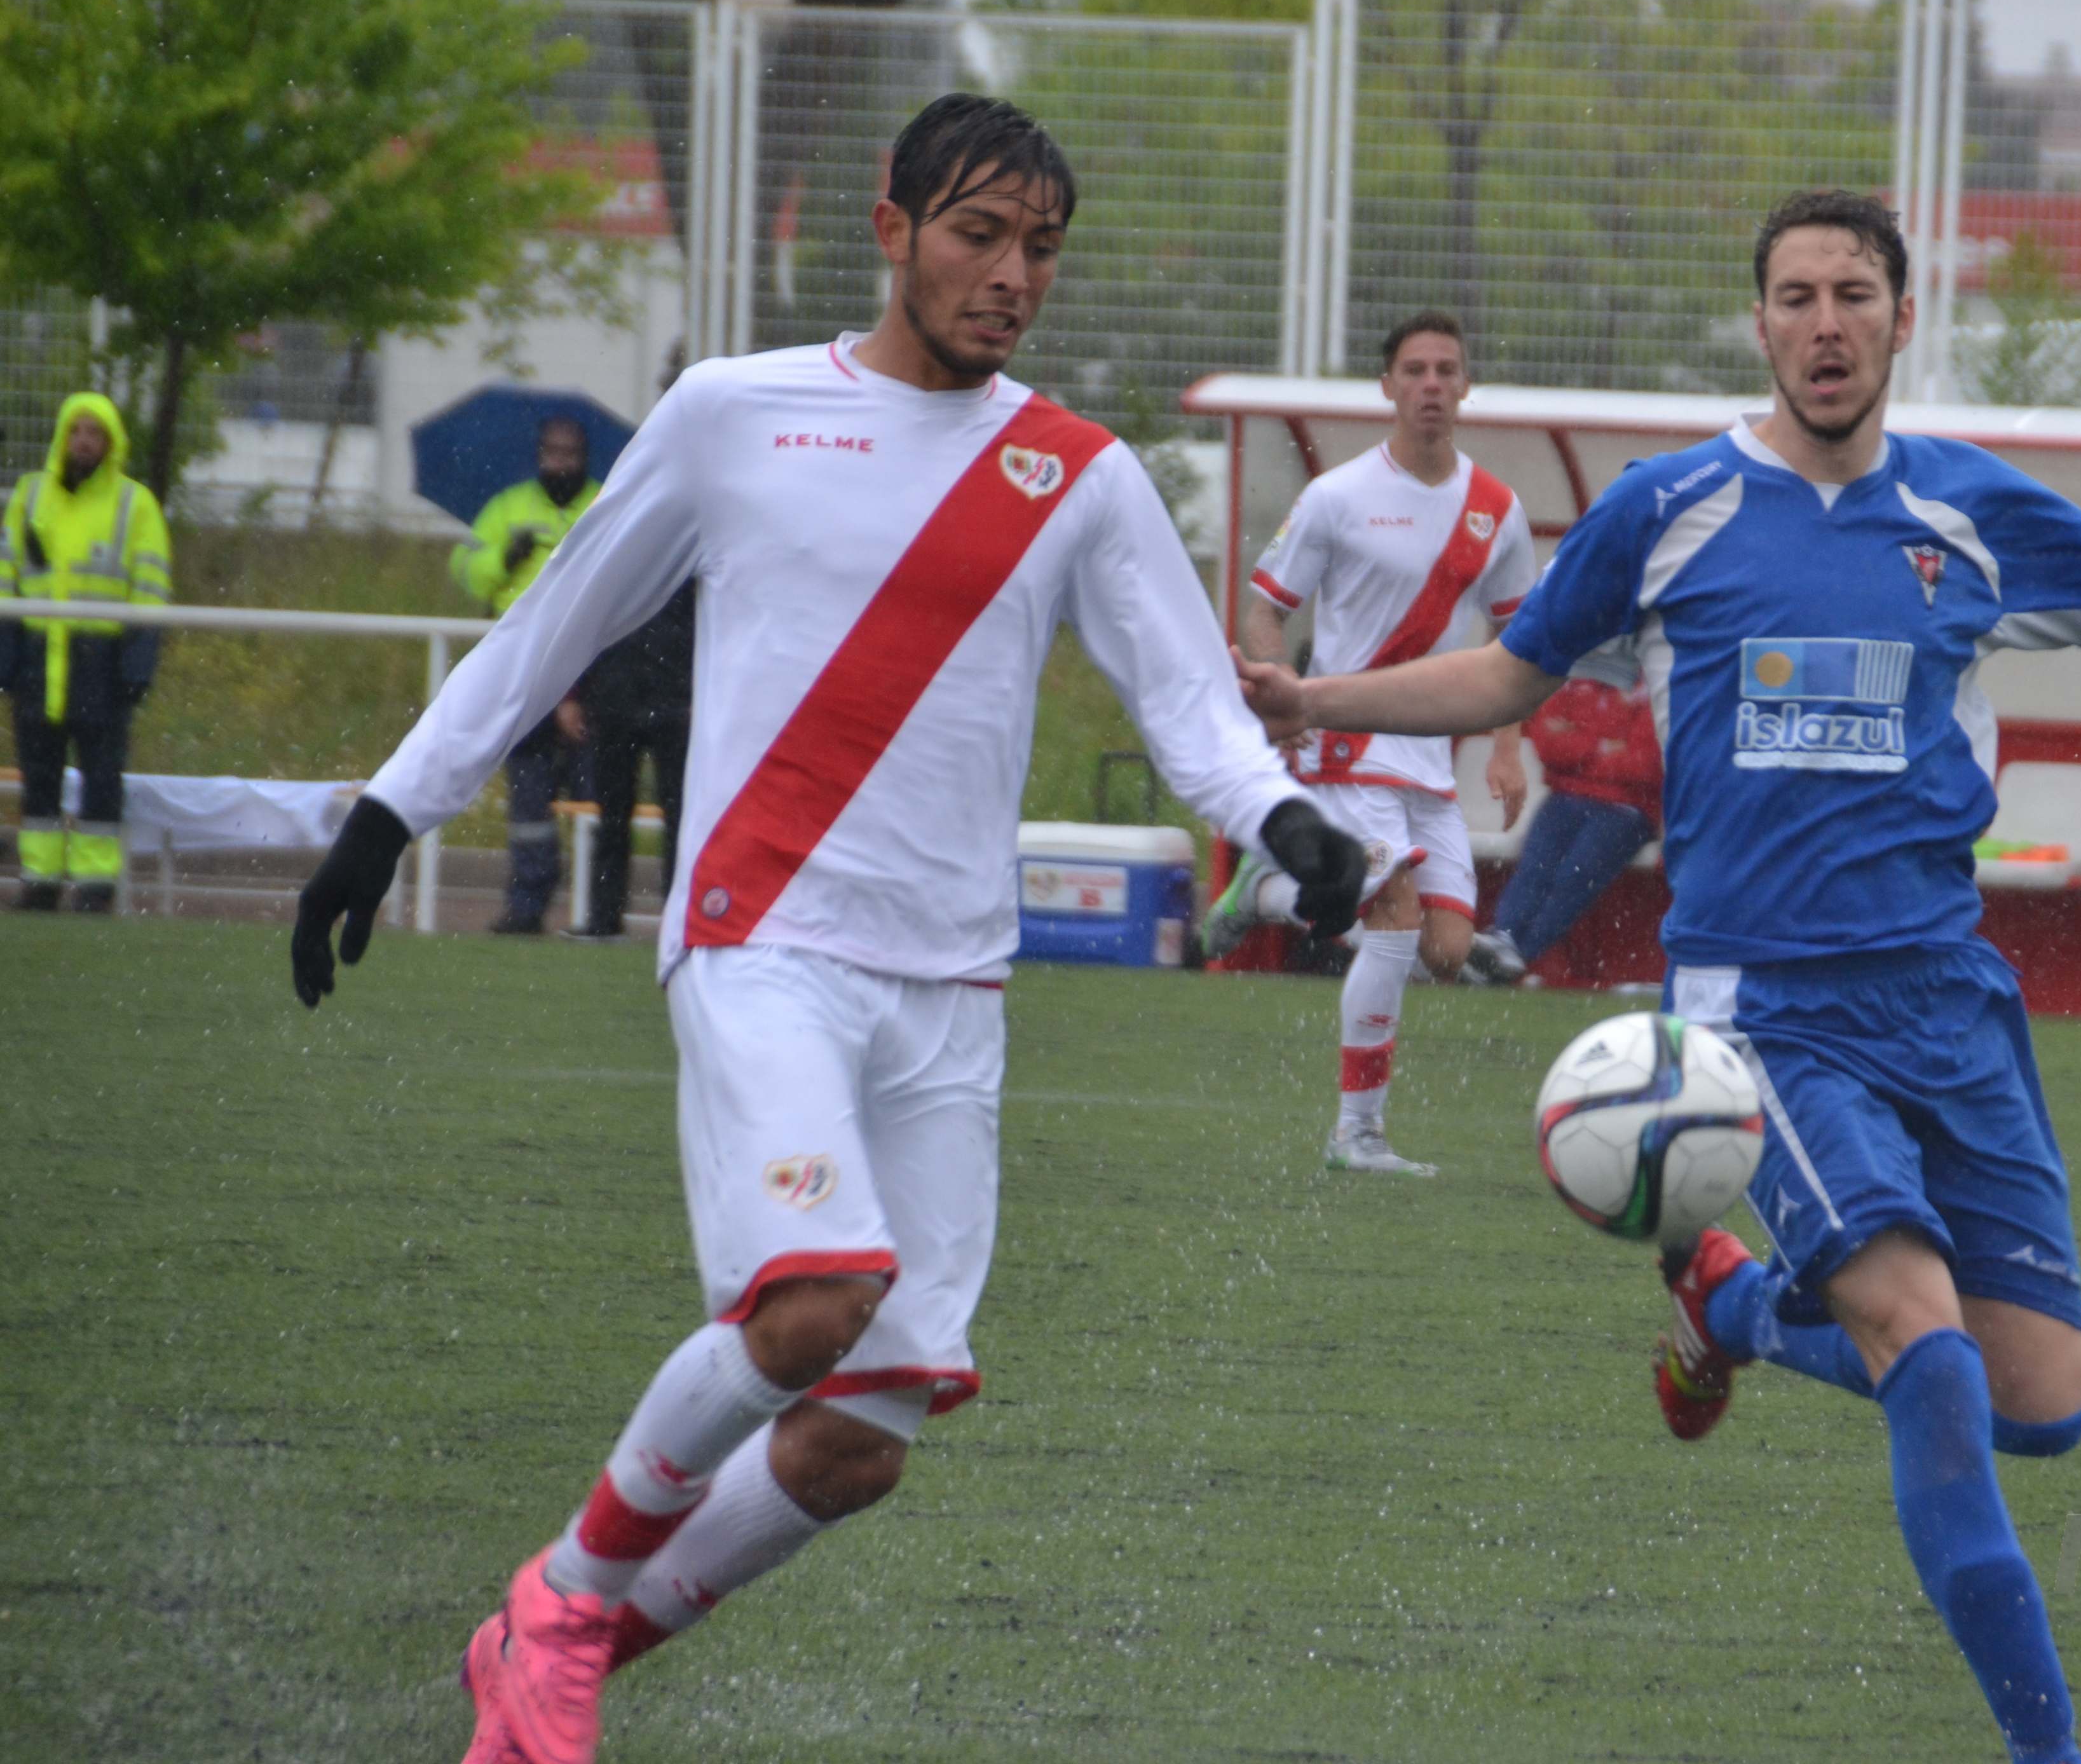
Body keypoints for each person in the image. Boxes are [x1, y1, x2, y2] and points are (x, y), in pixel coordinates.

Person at [1237, 188, 2081, 1764]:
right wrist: (1318, 688)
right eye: (1794, 294)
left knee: (2041, 1395)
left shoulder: (1972, 509)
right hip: (1763, 1010)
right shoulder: (1671, 507)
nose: (1823, 321)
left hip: (1949, 999)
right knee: (1927, 1350)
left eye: (1851, 292)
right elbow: (1507, 670)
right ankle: (2047, 1746)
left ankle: (1731, 1303)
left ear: (1897, 316)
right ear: (1759, 323)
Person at [287, 93, 1372, 1764]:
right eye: (979, 234)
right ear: (892, 225)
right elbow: (547, 626)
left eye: (1041, 249)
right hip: (763, 940)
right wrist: (382, 818)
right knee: (812, 1302)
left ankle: (532, 1665)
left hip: (953, 994)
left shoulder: (1075, 473)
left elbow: (1188, 704)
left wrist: (1285, 819)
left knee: (860, 1436)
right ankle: (569, 1597)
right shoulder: (734, 415)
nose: (1012, 275)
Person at [1203, 309, 1536, 1176]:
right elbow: (1264, 607)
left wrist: (1506, 749)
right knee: (1392, 919)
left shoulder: (1495, 512)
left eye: (1446, 370)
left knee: (1446, 950)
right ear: (1387, 386)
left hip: (1427, 758)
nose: (1431, 384)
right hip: (1345, 744)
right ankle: (1358, 1134)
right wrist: (1287, 701)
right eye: (1415, 370)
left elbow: (1520, 643)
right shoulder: (1337, 497)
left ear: (1466, 387)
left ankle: (1273, 889)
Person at [3, 392, 170, 914]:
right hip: (37, 658)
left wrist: (138, 661)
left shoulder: (133, 503)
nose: (83, 441)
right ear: (62, 436)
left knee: (102, 777)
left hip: (102, 660)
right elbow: (5, 578)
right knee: (39, 775)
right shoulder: (30, 497)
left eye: (94, 432)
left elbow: (151, 590)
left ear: (110, 441)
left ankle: (96, 885)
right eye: (76, 431)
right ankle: (41, 879)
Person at [454, 414, 600, 933]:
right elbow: (466, 573)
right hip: (521, 671)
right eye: (551, 453)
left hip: (591, 672)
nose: (560, 463)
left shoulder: (607, 504)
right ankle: (527, 906)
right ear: (539, 454)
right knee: (530, 797)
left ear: (585, 456)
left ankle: (594, 911)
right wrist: (503, 558)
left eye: (570, 454)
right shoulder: (507, 507)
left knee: (593, 797)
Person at [1466, 646, 1660, 985]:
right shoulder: (1572, 681)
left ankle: (1514, 955)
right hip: (1568, 797)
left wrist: (1581, 747)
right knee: (1535, 865)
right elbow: (1549, 745)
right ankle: (1505, 939)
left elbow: (1647, 765)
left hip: (1628, 809)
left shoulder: (1652, 687)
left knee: (1575, 875)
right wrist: (1605, 747)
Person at [563, 580, 695, 940]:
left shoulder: (686, 549)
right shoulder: (620, 547)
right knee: (613, 816)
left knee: (681, 817)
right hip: (616, 700)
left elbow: (711, 622)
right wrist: (572, 694)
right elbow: (585, 624)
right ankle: (605, 919)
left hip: (673, 703)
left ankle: (678, 919)